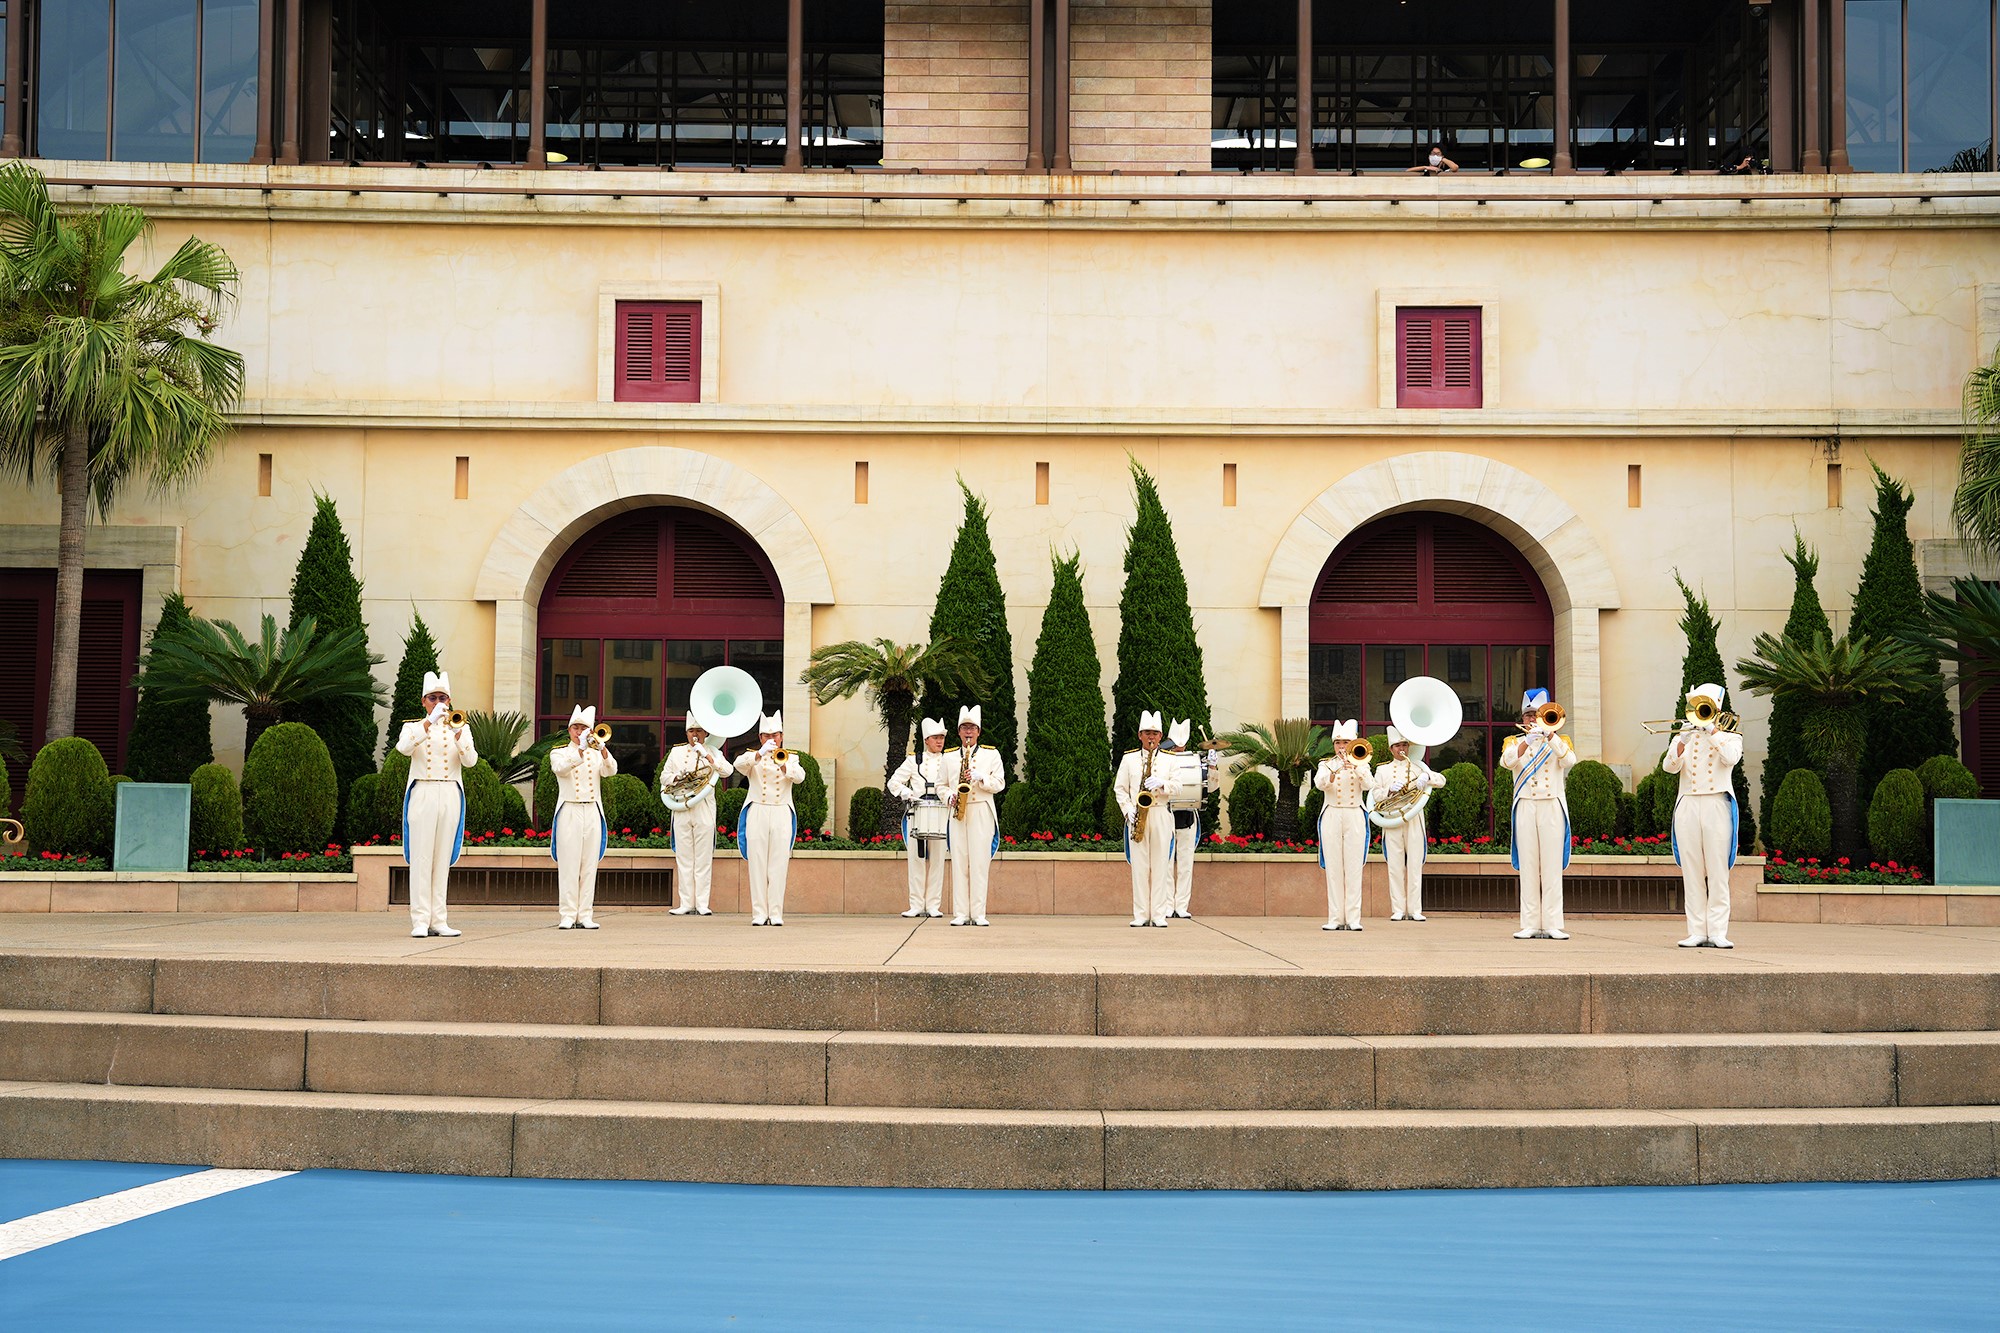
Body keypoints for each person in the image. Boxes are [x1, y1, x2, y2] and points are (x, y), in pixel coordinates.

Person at [395, 670, 477, 939]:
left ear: (450, 700)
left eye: (442, 697)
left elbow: (471, 761)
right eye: (433, 698)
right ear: (424, 701)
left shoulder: (461, 727)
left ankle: (439, 919)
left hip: (450, 792)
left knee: (442, 858)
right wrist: (428, 723)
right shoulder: (412, 726)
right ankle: (420, 920)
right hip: (424, 791)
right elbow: (404, 748)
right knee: (421, 857)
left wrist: (458, 736)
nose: (438, 702)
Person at [1662, 683, 1744, 949]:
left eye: (1706, 703)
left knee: (1718, 871)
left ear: (1717, 707)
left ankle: (1718, 931)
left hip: (1716, 804)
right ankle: (1697, 930)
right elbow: (1669, 767)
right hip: (1687, 805)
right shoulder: (1682, 736)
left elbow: (1731, 758)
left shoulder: (1731, 736)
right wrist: (1682, 741)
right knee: (1692, 870)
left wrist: (1713, 731)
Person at [1501, 689, 1578, 940]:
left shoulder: (1560, 740)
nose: (1532, 719)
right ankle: (1530, 923)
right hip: (1525, 804)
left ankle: (1553, 923)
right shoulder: (1513, 741)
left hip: (1551, 805)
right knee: (1530, 866)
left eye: (1537, 715)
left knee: (1552, 866)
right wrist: (1527, 742)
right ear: (1522, 718)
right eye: (1528, 715)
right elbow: (1507, 762)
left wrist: (1551, 737)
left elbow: (1570, 762)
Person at [733, 711, 805, 926]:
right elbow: (738, 765)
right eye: (766, 735)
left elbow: (800, 777)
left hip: (781, 810)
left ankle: (775, 913)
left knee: (778, 864)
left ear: (781, 736)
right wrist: (759, 754)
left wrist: (782, 764)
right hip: (758, 810)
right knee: (757, 863)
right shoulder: (753, 756)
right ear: (760, 737)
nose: (771, 739)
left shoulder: (791, 757)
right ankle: (758, 913)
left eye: (774, 735)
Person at [549, 705, 616, 930]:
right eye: (575, 728)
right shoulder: (559, 751)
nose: (579, 732)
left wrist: (603, 750)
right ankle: (567, 914)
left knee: (589, 865)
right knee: (569, 865)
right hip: (569, 809)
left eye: (584, 728)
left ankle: (585, 914)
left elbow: (611, 771)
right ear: (569, 730)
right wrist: (580, 751)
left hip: (592, 810)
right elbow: (560, 769)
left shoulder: (597, 753)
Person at [1375, 725, 1447, 922]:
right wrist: (1389, 790)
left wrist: (1427, 776)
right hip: (1392, 820)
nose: (1402, 749)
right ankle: (1398, 909)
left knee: (1415, 864)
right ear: (1391, 749)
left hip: (1414, 818)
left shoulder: (1418, 766)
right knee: (1395, 866)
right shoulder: (1382, 769)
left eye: (1405, 745)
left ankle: (1415, 909)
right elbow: (1374, 795)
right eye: (1397, 746)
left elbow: (1441, 780)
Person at [944, 706, 1006, 926]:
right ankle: (961, 913)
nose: (968, 732)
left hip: (981, 809)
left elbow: (1000, 783)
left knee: (979, 862)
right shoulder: (949, 756)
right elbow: (942, 785)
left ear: (979, 731)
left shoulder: (991, 754)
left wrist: (982, 778)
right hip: (958, 811)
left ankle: (978, 913)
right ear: (959, 732)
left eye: (972, 728)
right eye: (964, 728)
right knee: (959, 861)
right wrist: (949, 795)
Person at [887, 717, 953, 918]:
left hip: (941, 813)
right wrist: (906, 794)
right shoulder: (913, 760)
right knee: (916, 861)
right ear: (926, 740)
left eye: (942, 737)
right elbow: (893, 782)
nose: (939, 741)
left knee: (937, 861)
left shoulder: (949, 760)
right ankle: (915, 904)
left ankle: (933, 905)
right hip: (917, 813)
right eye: (935, 738)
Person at [1115, 711, 1175, 927]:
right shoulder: (1129, 758)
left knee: (1161, 865)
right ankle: (1141, 914)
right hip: (1137, 814)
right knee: (1139, 867)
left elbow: (1178, 786)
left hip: (1160, 812)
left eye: (1155, 733)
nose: (1151, 737)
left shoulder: (1170, 759)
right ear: (1140, 735)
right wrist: (1127, 809)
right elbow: (1119, 789)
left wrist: (1162, 784)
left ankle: (1159, 914)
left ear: (1161, 737)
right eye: (1147, 733)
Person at [1315, 720, 1376, 931]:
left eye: (1346, 742)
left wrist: (1357, 768)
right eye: (1338, 742)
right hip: (1332, 813)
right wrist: (1336, 769)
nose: (1342, 746)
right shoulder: (1326, 764)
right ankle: (1335, 918)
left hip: (1354, 814)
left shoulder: (1362, 763)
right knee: (1334, 868)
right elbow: (1320, 784)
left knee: (1353, 868)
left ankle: (1353, 918)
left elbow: (1370, 785)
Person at [1163, 718, 1221, 920]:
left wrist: (1212, 768)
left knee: (1186, 864)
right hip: (1166, 815)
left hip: (1188, 817)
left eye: (1182, 745)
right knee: (1166, 864)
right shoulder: (1162, 760)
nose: (1179, 748)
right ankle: (1168, 905)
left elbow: (1210, 788)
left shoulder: (1196, 760)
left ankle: (1181, 906)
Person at [661, 719, 719, 916]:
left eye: (699, 731)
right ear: (686, 733)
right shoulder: (676, 752)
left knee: (703, 858)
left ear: (705, 733)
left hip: (703, 807)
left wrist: (708, 757)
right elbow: (664, 776)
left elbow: (727, 771)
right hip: (682, 806)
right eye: (691, 731)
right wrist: (678, 777)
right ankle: (685, 902)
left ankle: (702, 903)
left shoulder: (713, 750)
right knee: (684, 858)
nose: (695, 734)